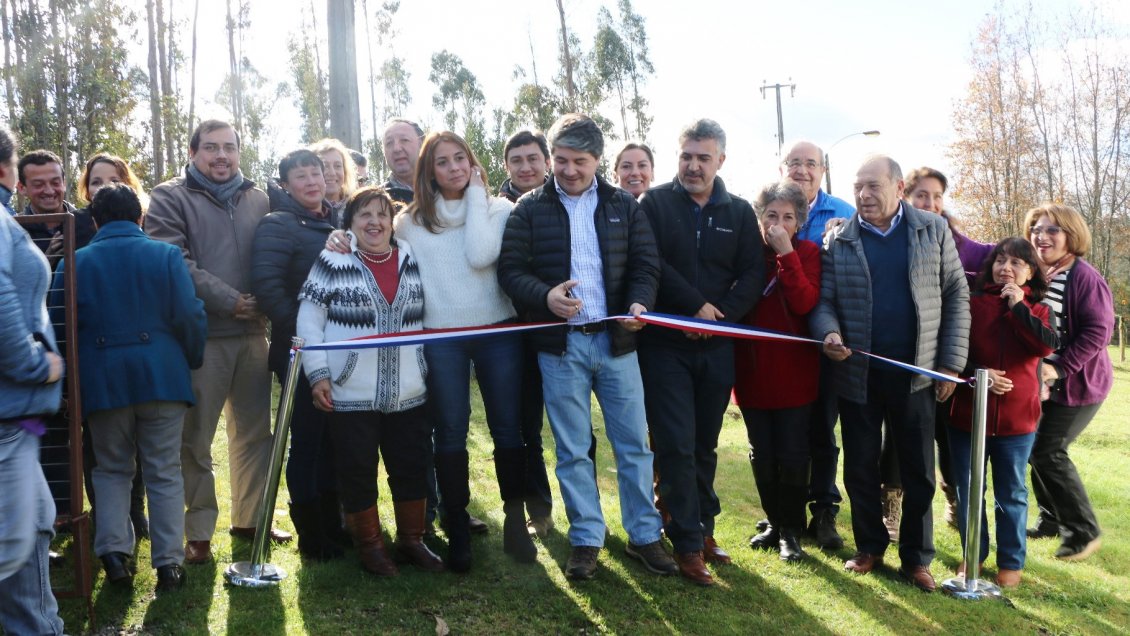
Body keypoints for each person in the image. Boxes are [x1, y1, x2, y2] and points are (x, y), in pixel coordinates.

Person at [498, 113, 677, 581]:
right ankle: (585, 538)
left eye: (580, 161)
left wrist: (640, 302)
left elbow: (646, 265)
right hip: (560, 348)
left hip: (617, 344)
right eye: (561, 160)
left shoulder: (624, 206)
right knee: (573, 448)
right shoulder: (528, 210)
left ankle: (644, 535)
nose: (569, 170)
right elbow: (511, 272)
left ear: (598, 160)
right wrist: (545, 297)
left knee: (633, 446)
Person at [810, 155, 969, 593]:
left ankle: (916, 559)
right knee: (860, 467)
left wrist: (951, 365)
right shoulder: (838, 238)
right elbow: (823, 302)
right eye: (858, 186)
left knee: (917, 471)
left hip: (916, 375)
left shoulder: (932, 230)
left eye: (873, 186)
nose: (863, 195)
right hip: (857, 374)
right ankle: (869, 548)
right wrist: (829, 332)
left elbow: (956, 294)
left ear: (899, 188)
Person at [145, 119, 290, 565]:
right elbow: (173, 260)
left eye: (229, 147)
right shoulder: (169, 197)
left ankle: (250, 518)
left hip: (253, 335)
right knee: (196, 439)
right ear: (193, 153)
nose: (221, 156)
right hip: (201, 336)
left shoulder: (261, 198)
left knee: (254, 435)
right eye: (211, 148)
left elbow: (279, 252)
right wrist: (230, 301)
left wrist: (266, 302)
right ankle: (198, 532)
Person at [51, 184, 207, 592]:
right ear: (141, 218)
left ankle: (114, 553)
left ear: (96, 221)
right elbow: (190, 315)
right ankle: (169, 564)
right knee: (163, 471)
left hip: (103, 382)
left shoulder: (74, 262)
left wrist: (69, 384)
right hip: (161, 376)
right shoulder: (166, 256)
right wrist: (188, 359)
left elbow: (57, 327)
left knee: (111, 468)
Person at [394, 130, 536, 573]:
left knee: (507, 430)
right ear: (428, 171)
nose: (454, 167)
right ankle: (458, 527)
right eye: (443, 161)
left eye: (461, 159)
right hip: (442, 337)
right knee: (451, 432)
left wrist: (476, 195)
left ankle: (515, 522)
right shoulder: (409, 222)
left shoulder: (497, 209)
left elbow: (479, 255)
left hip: (498, 331)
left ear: (474, 164)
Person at [637, 119, 763, 585]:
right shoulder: (655, 204)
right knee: (674, 443)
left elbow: (752, 273)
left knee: (705, 445)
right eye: (686, 156)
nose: (692, 165)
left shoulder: (740, 212)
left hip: (718, 344)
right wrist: (694, 308)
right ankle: (687, 544)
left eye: (702, 157)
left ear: (720, 161)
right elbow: (652, 263)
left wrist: (720, 315)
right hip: (666, 344)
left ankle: (703, 530)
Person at [297, 186, 444, 576]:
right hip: (350, 391)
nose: (374, 222)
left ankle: (412, 540)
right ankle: (371, 547)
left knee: (411, 465)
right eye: (364, 215)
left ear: (392, 222)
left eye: (382, 215)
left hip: (409, 389)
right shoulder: (333, 258)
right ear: (350, 223)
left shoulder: (410, 256)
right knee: (357, 470)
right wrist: (319, 375)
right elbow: (309, 322)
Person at [251, 149, 345, 560]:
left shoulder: (336, 222)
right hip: (300, 353)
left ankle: (333, 524)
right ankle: (311, 534)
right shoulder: (277, 225)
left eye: (317, 174)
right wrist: (305, 334)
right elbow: (268, 287)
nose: (312, 181)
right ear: (285, 185)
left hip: (342, 351)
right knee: (307, 442)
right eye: (301, 176)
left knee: (333, 442)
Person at [949, 237, 1057, 588]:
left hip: (1017, 422)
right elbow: (954, 353)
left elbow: (1042, 345)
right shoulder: (972, 302)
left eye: (1016, 263)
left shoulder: (1039, 309)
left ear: (1030, 272)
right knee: (969, 490)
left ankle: (1011, 561)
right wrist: (980, 373)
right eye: (1000, 260)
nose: (1006, 268)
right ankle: (973, 557)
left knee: (1011, 493)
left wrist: (1018, 307)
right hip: (967, 415)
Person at [0, 124, 66, 635]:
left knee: (37, 525)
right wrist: (36, 364)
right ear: (9, 170)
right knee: (13, 549)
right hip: (7, 415)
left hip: (19, 421)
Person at [734, 180, 821, 563]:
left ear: (799, 222)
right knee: (762, 452)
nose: (779, 224)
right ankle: (773, 521)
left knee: (793, 452)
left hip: (795, 373)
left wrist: (787, 256)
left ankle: (791, 529)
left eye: (788, 217)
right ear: (759, 218)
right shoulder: (747, 253)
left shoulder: (809, 252)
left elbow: (805, 302)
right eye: (771, 215)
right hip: (752, 370)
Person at [1024, 203, 1113, 561]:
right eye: (1036, 230)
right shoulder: (1041, 274)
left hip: (1079, 385)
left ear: (1070, 236)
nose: (1041, 237)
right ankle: (1050, 520)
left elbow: (1098, 332)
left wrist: (1060, 368)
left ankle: (1083, 531)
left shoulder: (1084, 276)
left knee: (1048, 451)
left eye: (1052, 231)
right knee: (1035, 450)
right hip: (1043, 384)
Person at [779, 140, 854, 549]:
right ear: (782, 167)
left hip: (827, 341)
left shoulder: (844, 213)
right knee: (786, 434)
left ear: (823, 170)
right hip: (780, 342)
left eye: (811, 164)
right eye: (795, 163)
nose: (802, 170)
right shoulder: (768, 209)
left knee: (823, 431)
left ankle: (823, 511)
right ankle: (781, 514)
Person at [75, 151, 151, 541]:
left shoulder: (143, 230)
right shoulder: (74, 229)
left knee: (135, 444)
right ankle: (109, 521)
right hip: (93, 356)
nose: (103, 186)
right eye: (96, 180)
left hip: (137, 355)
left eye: (112, 179)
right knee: (100, 449)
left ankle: (135, 513)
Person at [497, 129, 556, 538]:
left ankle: (589, 514)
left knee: (575, 430)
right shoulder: (494, 209)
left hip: (563, 329)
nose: (526, 167)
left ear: (547, 161)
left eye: (533, 158)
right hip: (514, 333)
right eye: (516, 160)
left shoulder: (568, 202)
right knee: (524, 428)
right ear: (507, 166)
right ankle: (538, 511)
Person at [16, 149, 96, 263]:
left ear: (64, 183)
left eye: (55, 183)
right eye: (38, 185)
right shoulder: (14, 230)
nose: (49, 191)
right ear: (21, 188)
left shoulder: (88, 222)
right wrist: (46, 260)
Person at [380, 119, 425, 204]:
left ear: (421, 144)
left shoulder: (445, 190)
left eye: (404, 140)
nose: (396, 149)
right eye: (389, 143)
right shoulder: (377, 200)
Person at [311, 138, 357, 213]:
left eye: (337, 166)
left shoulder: (358, 207)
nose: (332, 173)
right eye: (325, 166)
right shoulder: (302, 211)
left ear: (345, 171)